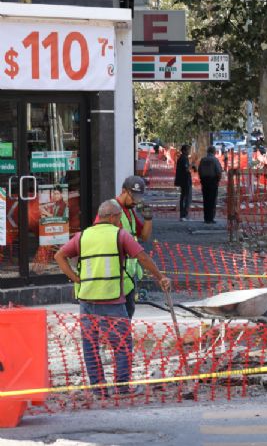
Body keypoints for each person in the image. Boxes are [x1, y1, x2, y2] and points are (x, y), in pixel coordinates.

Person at [54, 200, 171, 398]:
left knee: (90, 346)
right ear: (113, 217)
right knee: (122, 345)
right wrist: (161, 277)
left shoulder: (83, 236)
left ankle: (98, 390)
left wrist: (75, 278)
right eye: (119, 218)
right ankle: (122, 388)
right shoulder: (120, 235)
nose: (120, 222)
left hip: (87, 300)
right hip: (111, 301)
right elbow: (142, 257)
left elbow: (59, 256)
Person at [105, 176, 153, 319]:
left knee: (127, 313)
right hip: (115, 274)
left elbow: (143, 237)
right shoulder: (111, 209)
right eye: (133, 196)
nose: (135, 201)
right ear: (124, 191)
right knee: (117, 317)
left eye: (139, 197)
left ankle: (122, 340)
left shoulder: (129, 211)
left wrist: (148, 219)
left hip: (128, 275)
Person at [198, 146, 223, 224]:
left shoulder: (203, 160)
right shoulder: (215, 160)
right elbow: (219, 171)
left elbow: (199, 170)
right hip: (212, 181)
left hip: (204, 181)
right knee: (212, 200)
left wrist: (202, 179)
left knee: (206, 200)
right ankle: (211, 218)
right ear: (214, 152)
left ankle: (206, 218)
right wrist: (218, 180)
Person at [174, 144, 194, 221]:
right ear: (184, 150)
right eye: (188, 150)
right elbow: (186, 169)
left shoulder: (183, 158)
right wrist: (192, 165)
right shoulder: (184, 159)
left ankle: (184, 215)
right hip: (185, 181)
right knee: (186, 198)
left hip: (184, 181)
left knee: (184, 197)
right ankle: (184, 215)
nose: (189, 151)